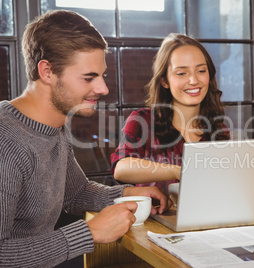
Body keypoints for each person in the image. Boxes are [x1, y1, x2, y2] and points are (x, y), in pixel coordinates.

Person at [0, 10, 170, 267]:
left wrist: (126, 193)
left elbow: (75, 191)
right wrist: (88, 233)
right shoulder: (6, 142)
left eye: (102, 75)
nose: (103, 88)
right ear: (47, 71)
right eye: (89, 77)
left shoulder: (54, 126)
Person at [111, 33, 230, 193]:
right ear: (164, 81)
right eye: (182, 73)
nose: (194, 80)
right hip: (155, 218)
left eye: (201, 70)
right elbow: (121, 168)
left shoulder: (218, 128)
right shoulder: (142, 121)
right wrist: (177, 171)